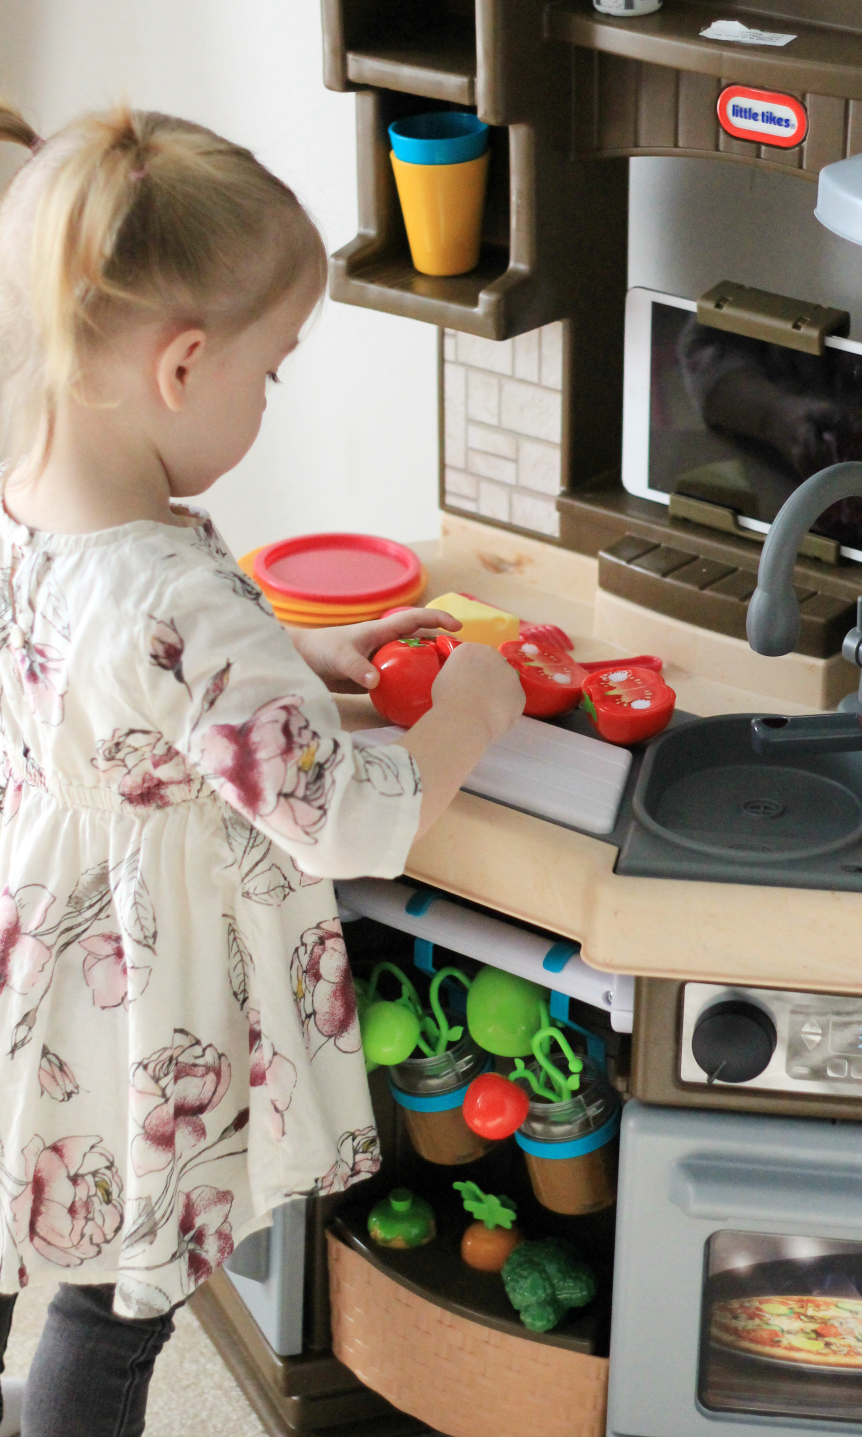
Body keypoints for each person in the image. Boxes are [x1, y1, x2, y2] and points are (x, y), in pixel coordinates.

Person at [0, 100, 524, 1437]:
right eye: (274, 368)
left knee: (38, 1237)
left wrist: (312, 663)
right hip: (142, 1007)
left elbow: (142, 698)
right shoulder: (176, 595)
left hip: (41, 969)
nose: (270, 392)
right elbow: (347, 819)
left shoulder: (37, 505)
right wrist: (466, 705)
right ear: (184, 366)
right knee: (119, 1316)